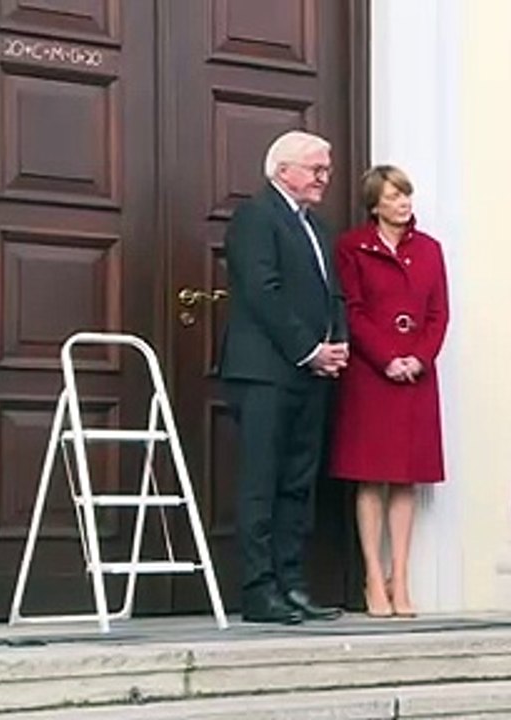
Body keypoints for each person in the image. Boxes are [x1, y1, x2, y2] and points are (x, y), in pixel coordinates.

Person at [219, 130, 348, 624]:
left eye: (326, 170)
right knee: (262, 480)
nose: (324, 178)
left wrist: (337, 345)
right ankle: (259, 590)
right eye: (315, 169)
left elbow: (332, 292)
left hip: (313, 373)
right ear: (283, 170)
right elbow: (262, 291)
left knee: (298, 482)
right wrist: (308, 349)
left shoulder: (317, 226)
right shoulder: (256, 216)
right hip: (266, 373)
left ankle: (292, 584)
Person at [330, 165, 449, 619]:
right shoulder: (352, 248)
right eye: (395, 197)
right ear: (375, 203)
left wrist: (420, 357)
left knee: (405, 476)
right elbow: (353, 311)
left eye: (407, 195)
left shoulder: (430, 250)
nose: (404, 204)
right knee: (371, 475)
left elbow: (439, 314)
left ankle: (401, 577)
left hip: (417, 374)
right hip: (371, 374)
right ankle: (372, 577)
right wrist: (386, 358)